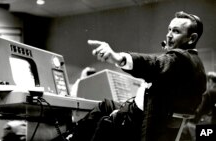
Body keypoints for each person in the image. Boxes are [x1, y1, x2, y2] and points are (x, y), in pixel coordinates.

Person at [65, 11, 207, 141]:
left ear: (191, 38)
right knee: (105, 105)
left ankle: (70, 138)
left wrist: (118, 58)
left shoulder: (180, 58)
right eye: (169, 29)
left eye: (176, 31)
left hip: (138, 121)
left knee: (103, 119)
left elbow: (154, 64)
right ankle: (72, 137)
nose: (169, 35)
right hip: (149, 115)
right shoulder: (196, 65)